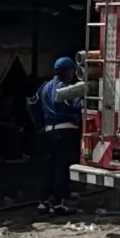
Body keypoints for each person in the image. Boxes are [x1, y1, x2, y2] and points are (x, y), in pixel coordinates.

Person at [34, 55, 86, 212]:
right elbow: (78, 105)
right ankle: (58, 203)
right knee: (62, 168)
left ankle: (43, 201)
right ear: (69, 72)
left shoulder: (45, 87)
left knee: (49, 167)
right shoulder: (64, 88)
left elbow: (34, 105)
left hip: (49, 132)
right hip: (65, 131)